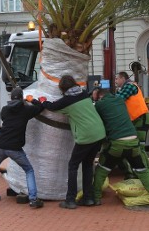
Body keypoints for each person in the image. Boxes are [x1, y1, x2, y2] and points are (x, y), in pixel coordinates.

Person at [91, 87, 149, 207]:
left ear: (100, 96)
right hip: (133, 142)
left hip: (116, 145)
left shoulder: (99, 105)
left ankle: (96, 198)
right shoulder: (119, 100)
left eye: (94, 97)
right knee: (143, 172)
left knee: (101, 171)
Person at [41, 74, 106, 209]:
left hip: (86, 136)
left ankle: (70, 199)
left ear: (63, 88)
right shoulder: (83, 94)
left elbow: (51, 107)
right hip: (99, 133)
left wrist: (41, 102)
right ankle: (88, 198)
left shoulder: (67, 101)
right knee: (88, 165)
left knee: (73, 166)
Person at [0, 86, 44, 210]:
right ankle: (33, 200)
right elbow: (40, 107)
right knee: (28, 170)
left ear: (11, 98)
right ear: (22, 98)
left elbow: (4, 118)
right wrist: (31, 100)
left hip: (0, 146)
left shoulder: (5, 110)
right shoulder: (25, 110)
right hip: (15, 148)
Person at [115, 71, 149, 170]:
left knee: (139, 148)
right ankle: (143, 171)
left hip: (141, 119)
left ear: (123, 78)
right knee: (136, 148)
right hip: (137, 119)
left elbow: (119, 98)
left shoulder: (130, 86)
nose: (115, 81)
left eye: (116, 79)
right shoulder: (125, 87)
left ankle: (146, 172)